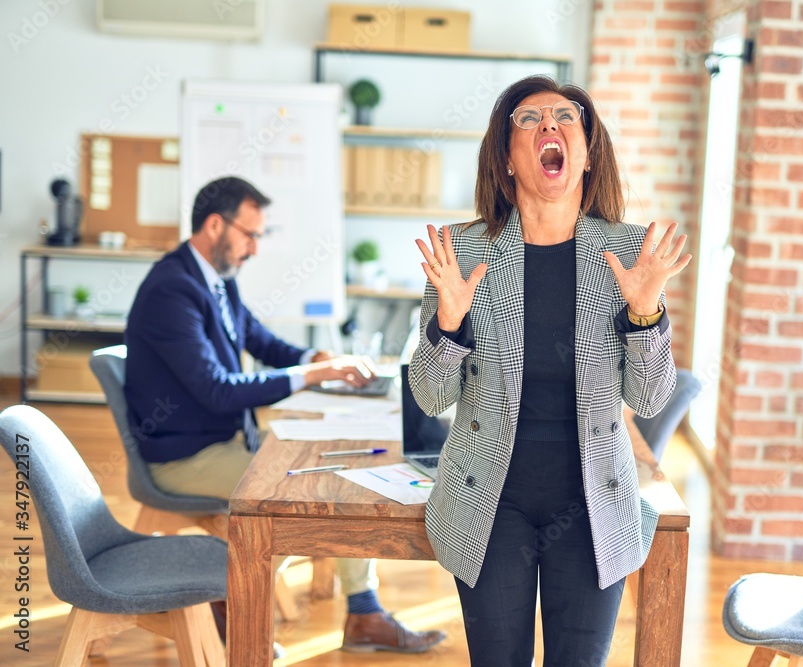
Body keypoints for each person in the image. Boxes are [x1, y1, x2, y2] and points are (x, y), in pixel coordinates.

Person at [408, 75, 691, 665]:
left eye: (566, 117)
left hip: (593, 504)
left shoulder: (629, 251)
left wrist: (645, 313)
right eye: (529, 119)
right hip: (490, 500)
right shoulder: (462, 252)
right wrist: (449, 325)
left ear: (587, 154)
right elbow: (432, 398)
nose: (548, 126)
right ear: (507, 160)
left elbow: (651, 393)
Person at [125, 176, 445, 654]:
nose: (254, 248)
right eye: (250, 234)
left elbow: (264, 343)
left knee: (339, 475)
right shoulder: (171, 290)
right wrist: (313, 377)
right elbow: (215, 390)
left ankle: (362, 614)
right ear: (215, 225)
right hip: (185, 456)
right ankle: (236, 605)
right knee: (302, 498)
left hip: (225, 443)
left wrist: (315, 358)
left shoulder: (215, 279)